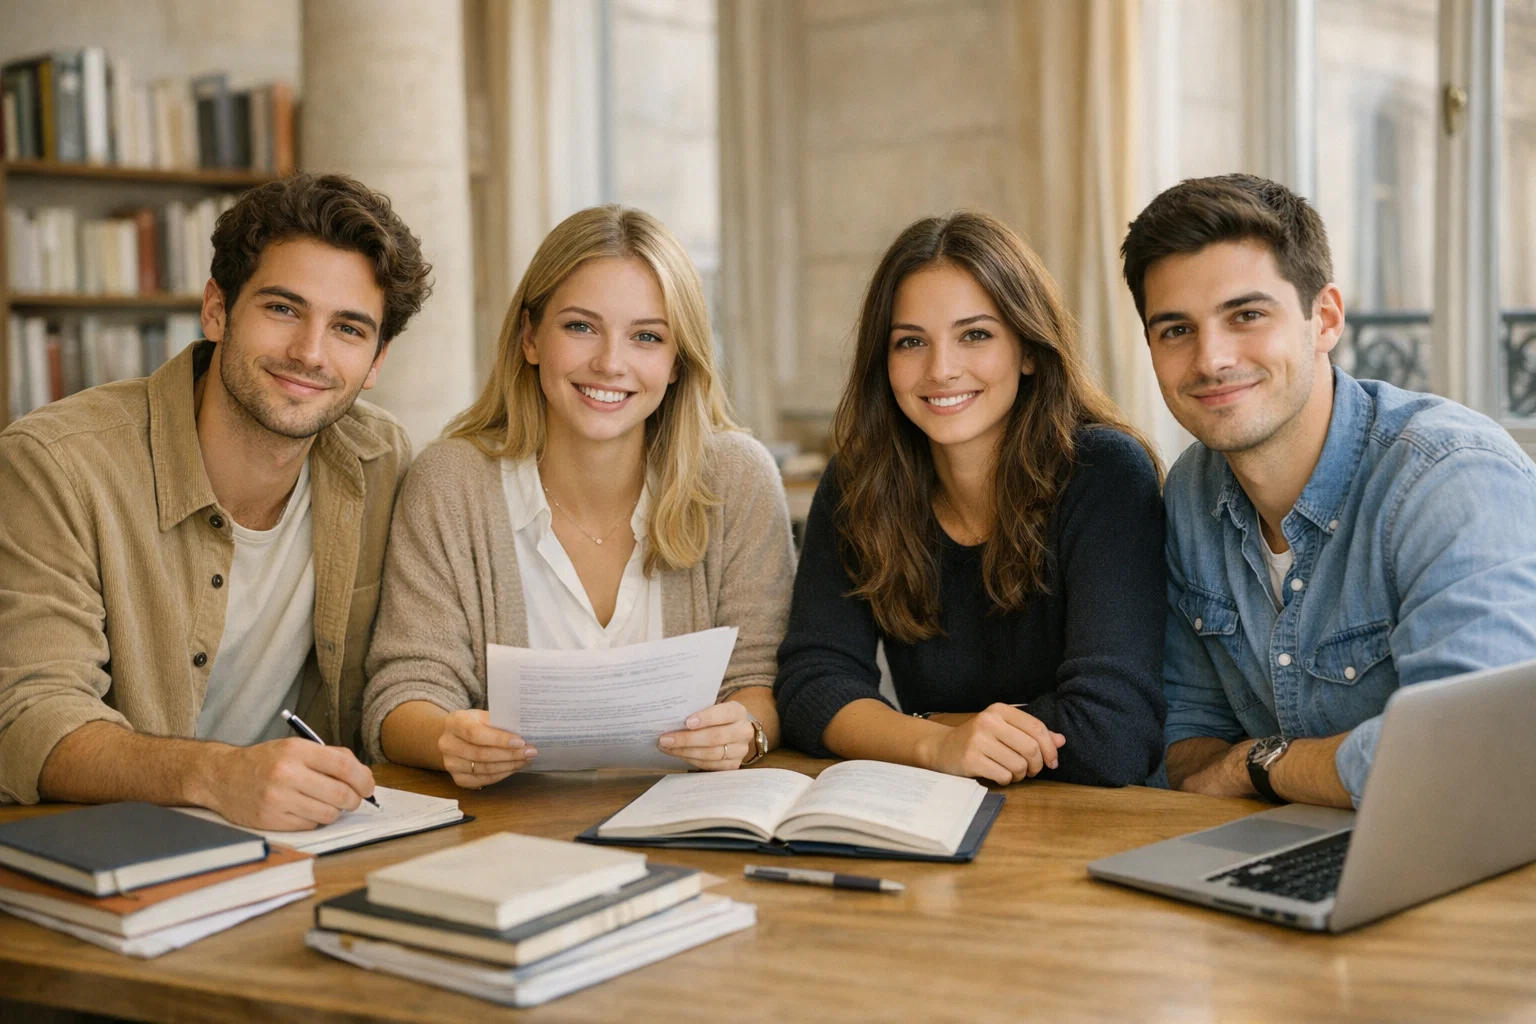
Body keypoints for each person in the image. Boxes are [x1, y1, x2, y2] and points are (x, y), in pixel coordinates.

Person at [0, 173, 432, 829]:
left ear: (376, 360)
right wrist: (217, 776)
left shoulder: (385, 464)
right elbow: (28, 715)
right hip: (110, 854)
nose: (309, 353)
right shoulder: (57, 464)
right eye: (283, 309)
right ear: (217, 310)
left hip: (316, 847)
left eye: (347, 328)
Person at [1123, 173, 1536, 807]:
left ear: (1326, 319)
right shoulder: (1190, 492)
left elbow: (1473, 760)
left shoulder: (1449, 479)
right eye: (1176, 330)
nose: (1210, 360)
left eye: (1247, 315)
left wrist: (1253, 767)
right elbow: (1184, 736)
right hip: (1289, 850)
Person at [363, 205, 795, 787]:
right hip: (505, 836)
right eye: (580, 327)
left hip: (691, 832)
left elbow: (762, 678)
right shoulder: (451, 482)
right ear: (530, 337)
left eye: (646, 336)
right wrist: (448, 738)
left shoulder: (737, 480)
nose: (610, 363)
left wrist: (744, 730)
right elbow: (404, 690)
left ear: (676, 362)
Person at [774, 211, 1167, 787]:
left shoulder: (1103, 474)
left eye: (975, 335)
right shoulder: (859, 480)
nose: (941, 369)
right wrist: (937, 744)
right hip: (933, 811)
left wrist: (911, 727)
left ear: (1028, 350)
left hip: (1088, 825)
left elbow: (1112, 736)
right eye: (911, 342)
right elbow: (811, 686)